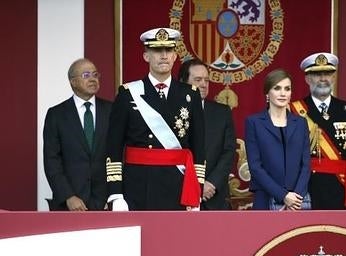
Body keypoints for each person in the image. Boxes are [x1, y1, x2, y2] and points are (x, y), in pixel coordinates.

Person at [106, 27, 205, 211]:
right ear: (146, 56)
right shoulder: (128, 94)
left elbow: (198, 146)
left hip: (178, 185)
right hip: (138, 186)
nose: (164, 56)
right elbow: (113, 146)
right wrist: (116, 193)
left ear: (175, 56)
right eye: (157, 50)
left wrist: (196, 190)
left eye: (169, 50)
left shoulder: (190, 94)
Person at [289, 52, 346, 210]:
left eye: (328, 73)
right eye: (317, 74)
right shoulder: (294, 110)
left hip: (342, 189)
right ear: (307, 78)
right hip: (307, 189)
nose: (323, 78)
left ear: (334, 77)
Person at [43, 58, 112, 211]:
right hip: (71, 203)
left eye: (95, 74)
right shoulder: (56, 115)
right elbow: (52, 161)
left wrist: (114, 195)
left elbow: (119, 154)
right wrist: (68, 196)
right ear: (73, 82)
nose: (93, 79)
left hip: (106, 202)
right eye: (86, 75)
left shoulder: (112, 111)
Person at [245, 69, 311, 210]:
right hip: (266, 198)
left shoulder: (300, 123)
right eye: (277, 88)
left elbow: (306, 165)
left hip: (298, 200)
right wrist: (283, 195)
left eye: (287, 89)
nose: (283, 93)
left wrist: (295, 197)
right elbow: (256, 167)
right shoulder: (254, 122)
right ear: (267, 93)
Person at [178, 58, 236, 210]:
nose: (203, 84)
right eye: (198, 80)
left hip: (214, 197)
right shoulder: (170, 112)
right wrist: (192, 186)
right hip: (179, 195)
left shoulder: (222, 113)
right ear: (183, 82)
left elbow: (228, 152)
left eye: (206, 80)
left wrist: (211, 183)